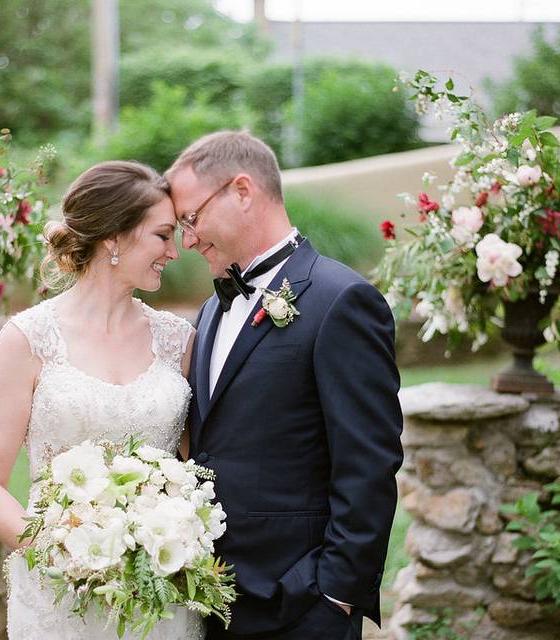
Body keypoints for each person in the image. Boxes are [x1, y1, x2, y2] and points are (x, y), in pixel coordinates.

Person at [166, 131, 403, 640]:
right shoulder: (211, 311)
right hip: (212, 602)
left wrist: (334, 594)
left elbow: (369, 463)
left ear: (242, 191)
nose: (186, 239)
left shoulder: (342, 300)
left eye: (192, 218)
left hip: (301, 606)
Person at [0, 160, 204, 640]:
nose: (174, 253)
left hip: (158, 593)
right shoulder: (27, 340)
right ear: (114, 238)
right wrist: (61, 553)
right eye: (162, 236)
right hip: (59, 598)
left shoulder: (180, 342)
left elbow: (201, 461)